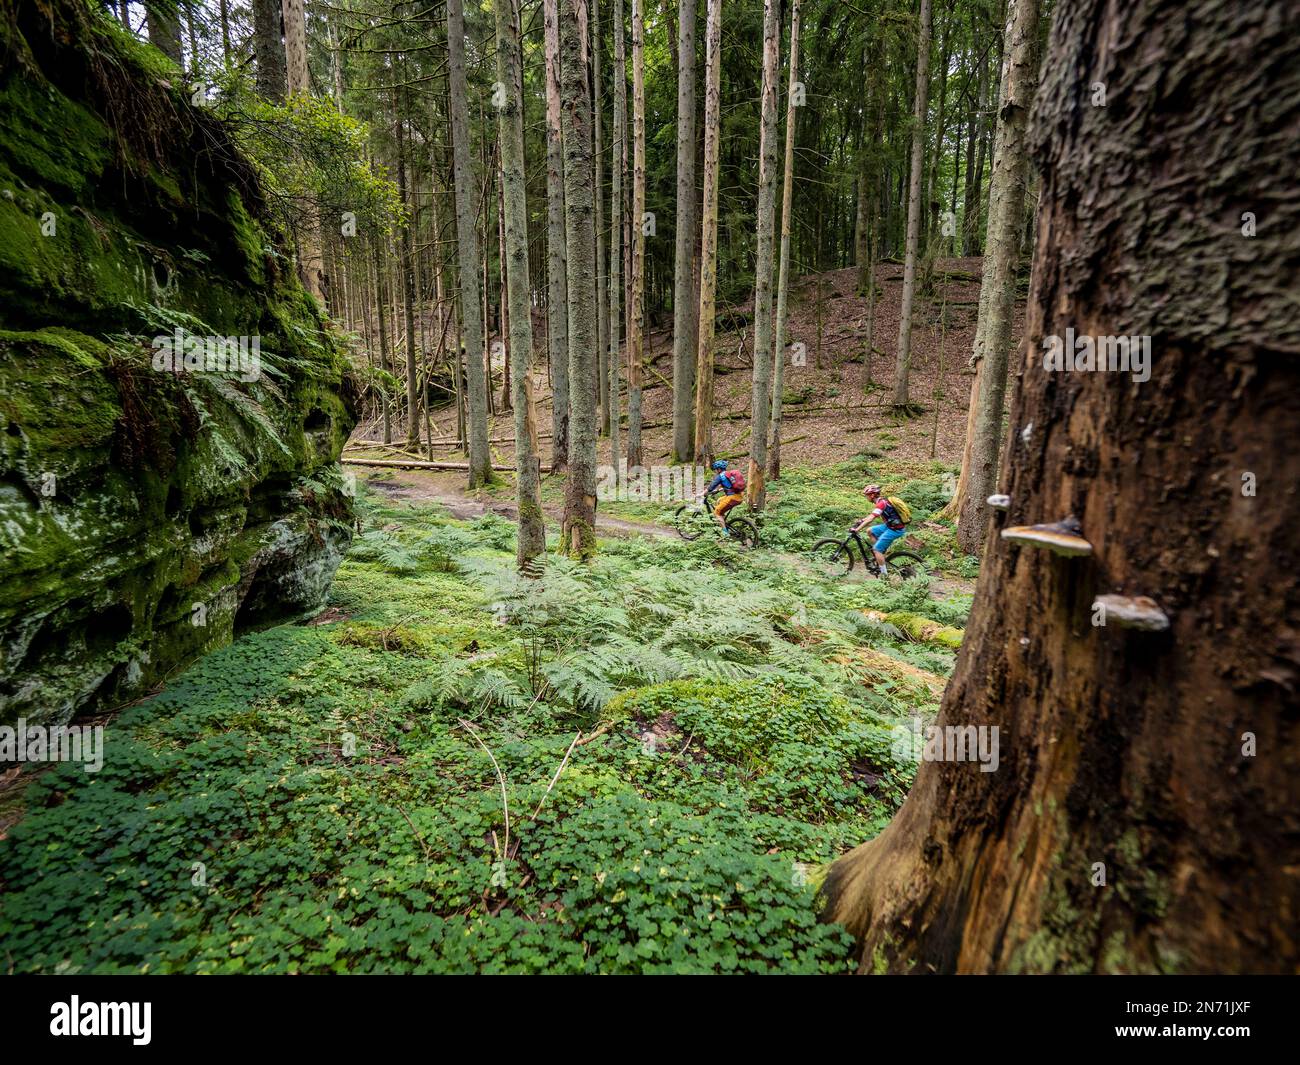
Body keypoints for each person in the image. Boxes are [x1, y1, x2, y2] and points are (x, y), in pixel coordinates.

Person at [851, 484, 911, 575]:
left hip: (895, 530)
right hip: (889, 526)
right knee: (870, 531)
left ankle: (884, 575)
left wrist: (857, 529)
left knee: (876, 550)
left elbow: (871, 518)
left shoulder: (881, 504)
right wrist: (862, 520)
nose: (866, 497)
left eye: (867, 495)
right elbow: (872, 515)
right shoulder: (882, 501)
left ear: (872, 495)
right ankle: (880, 555)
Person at [703, 460, 746, 530]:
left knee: (717, 512)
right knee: (719, 500)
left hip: (732, 498)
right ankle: (722, 520)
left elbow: (710, 487)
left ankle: (725, 533)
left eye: (716, 469)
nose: (716, 471)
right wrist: (717, 490)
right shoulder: (728, 474)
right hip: (739, 496)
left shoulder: (720, 476)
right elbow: (729, 486)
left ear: (719, 469)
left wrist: (701, 494)